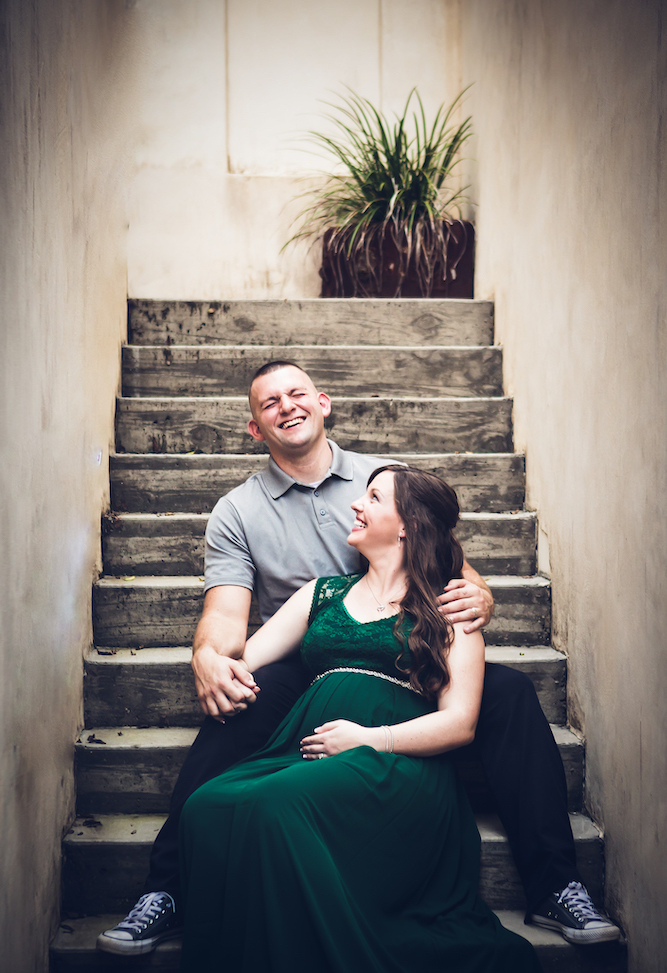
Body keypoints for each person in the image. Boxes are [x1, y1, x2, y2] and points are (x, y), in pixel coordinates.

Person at [97, 361, 619, 956]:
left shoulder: (380, 479)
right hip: (308, 656)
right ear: (254, 428)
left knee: (511, 694)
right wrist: (209, 657)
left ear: (323, 403)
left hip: (406, 647)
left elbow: (445, 564)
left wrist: (481, 595)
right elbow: (224, 614)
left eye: (297, 393)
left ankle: (555, 884)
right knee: (237, 701)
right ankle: (167, 889)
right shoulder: (239, 510)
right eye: (270, 402)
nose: (287, 406)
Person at [179, 464, 542, 972]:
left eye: (373, 498)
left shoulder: (448, 610)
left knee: (273, 808)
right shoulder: (323, 593)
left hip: (394, 766)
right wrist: (212, 660)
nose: (355, 504)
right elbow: (246, 660)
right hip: (305, 753)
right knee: (206, 807)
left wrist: (370, 739)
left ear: (407, 525)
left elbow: (460, 722)